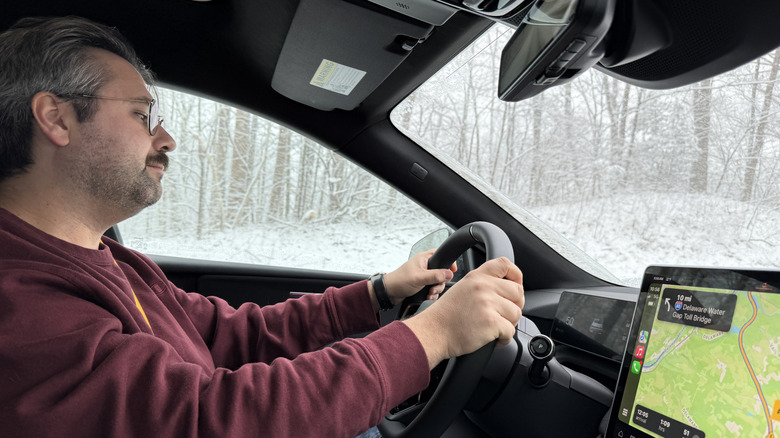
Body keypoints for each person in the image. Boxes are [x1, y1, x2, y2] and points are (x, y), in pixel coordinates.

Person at [0, 16, 525, 438]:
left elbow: (229, 334)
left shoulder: (110, 260)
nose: (165, 140)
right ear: (57, 118)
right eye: (141, 115)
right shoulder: (19, 302)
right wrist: (431, 334)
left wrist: (379, 293)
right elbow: (204, 419)